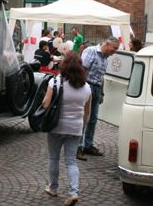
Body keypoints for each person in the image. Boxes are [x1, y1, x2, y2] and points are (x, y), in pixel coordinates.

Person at [42, 52, 91, 206]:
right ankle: (74, 192)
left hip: (56, 127)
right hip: (75, 128)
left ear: (64, 65)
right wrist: (81, 126)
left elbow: (45, 104)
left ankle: (53, 188)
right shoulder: (87, 87)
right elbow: (87, 112)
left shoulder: (55, 82)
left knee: (54, 158)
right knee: (71, 161)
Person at [77, 37, 120, 160]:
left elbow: (101, 77)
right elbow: (82, 70)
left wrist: (102, 93)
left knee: (93, 119)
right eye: (114, 48)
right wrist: (84, 89)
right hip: (87, 86)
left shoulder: (106, 58)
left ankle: (88, 145)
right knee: (84, 118)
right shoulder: (91, 51)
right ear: (107, 44)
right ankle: (78, 147)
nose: (115, 51)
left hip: (96, 89)